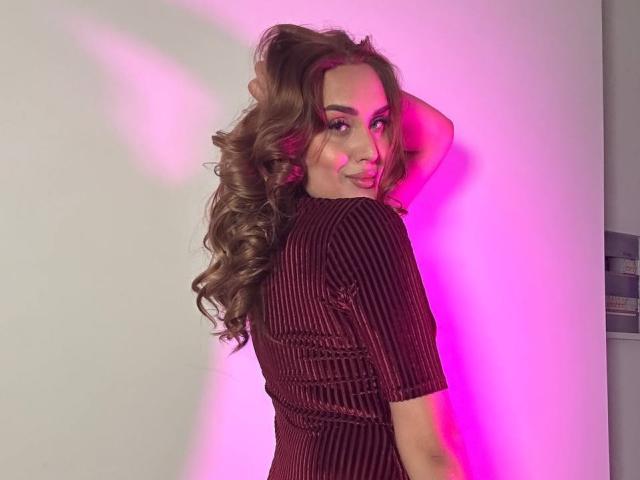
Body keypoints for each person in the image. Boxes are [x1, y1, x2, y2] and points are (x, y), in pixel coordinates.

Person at [192, 24, 465, 479]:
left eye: (379, 122)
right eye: (339, 125)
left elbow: (437, 133)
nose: (371, 150)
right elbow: (430, 449)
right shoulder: (364, 226)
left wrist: (294, 87)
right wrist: (291, 89)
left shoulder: (269, 231)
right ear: (294, 132)